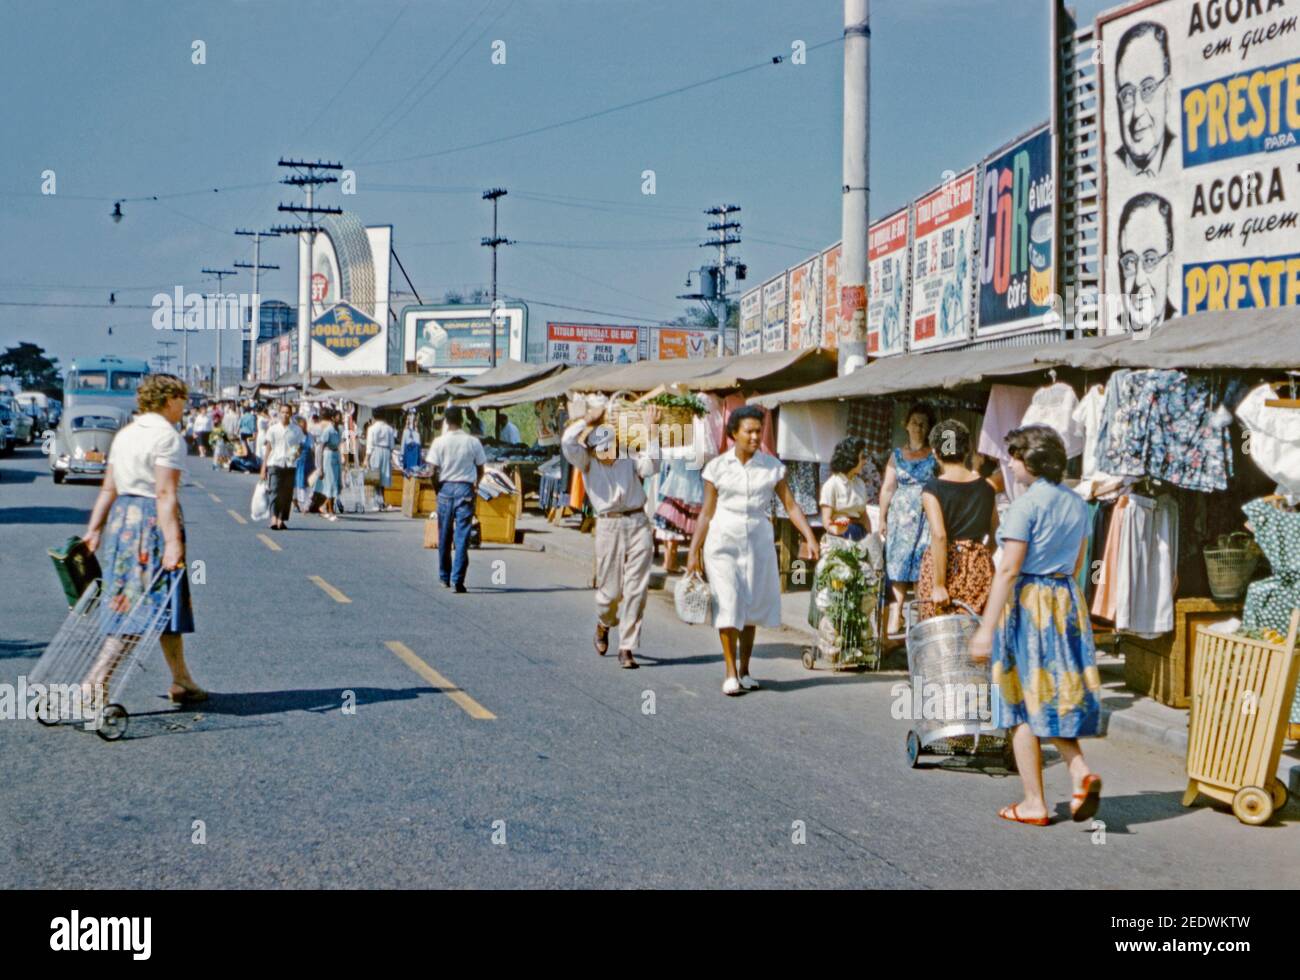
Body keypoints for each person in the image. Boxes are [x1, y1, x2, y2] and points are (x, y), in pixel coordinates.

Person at [969, 425, 1103, 827]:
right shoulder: (1077, 504)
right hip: (1066, 601)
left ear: (1032, 462)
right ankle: (1078, 771)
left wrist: (986, 628)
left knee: (1019, 699)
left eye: (1015, 456)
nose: (1009, 463)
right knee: (1054, 693)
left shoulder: (1025, 505)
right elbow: (1078, 564)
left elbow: (1008, 568)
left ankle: (1034, 802)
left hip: (1029, 602)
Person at [82, 373, 205, 707]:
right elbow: (164, 492)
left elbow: (108, 487)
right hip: (150, 524)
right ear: (168, 400)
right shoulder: (168, 438)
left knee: (162, 603)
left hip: (122, 521)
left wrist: (94, 528)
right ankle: (96, 682)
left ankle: (182, 679)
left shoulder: (125, 434)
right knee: (139, 608)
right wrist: (172, 541)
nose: (186, 405)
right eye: (183, 398)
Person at [687, 405, 820, 696]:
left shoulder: (772, 467)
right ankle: (730, 672)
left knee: (750, 605)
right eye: (749, 431)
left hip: (758, 540)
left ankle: (745, 670)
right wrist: (693, 551)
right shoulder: (717, 468)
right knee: (729, 602)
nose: (755, 436)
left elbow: (790, 506)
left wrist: (809, 536)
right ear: (734, 433)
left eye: (759, 431)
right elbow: (706, 513)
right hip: (723, 539)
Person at [562, 403, 660, 669]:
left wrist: (652, 433)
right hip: (608, 525)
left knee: (636, 589)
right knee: (610, 592)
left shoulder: (628, 455)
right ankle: (604, 623)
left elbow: (651, 468)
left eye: (610, 446)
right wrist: (587, 419)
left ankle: (627, 647)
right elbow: (568, 442)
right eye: (600, 448)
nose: (607, 453)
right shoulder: (586, 462)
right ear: (592, 450)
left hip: (638, 521)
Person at [916, 419, 997, 620]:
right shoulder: (987, 488)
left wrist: (939, 585)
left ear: (935, 452)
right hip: (978, 564)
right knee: (973, 629)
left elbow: (940, 535)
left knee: (939, 633)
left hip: (943, 567)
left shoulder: (932, 489)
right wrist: (978, 555)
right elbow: (996, 533)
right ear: (968, 449)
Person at [879, 403, 937, 638]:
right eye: (915, 422)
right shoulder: (896, 455)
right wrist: (882, 518)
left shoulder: (935, 454)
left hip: (926, 513)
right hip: (901, 518)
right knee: (899, 563)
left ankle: (922, 617)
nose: (919, 427)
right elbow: (887, 488)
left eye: (923, 423)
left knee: (922, 563)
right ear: (906, 425)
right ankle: (897, 612)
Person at [428, 405, 486, 592]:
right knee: (462, 537)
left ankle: (444, 576)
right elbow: (480, 467)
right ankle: (457, 581)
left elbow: (431, 471)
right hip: (465, 489)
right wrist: (475, 484)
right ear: (462, 421)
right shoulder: (473, 442)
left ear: (446, 421)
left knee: (444, 536)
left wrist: (438, 488)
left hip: (445, 489)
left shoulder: (439, 442)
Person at [1114, 21, 1174, 178]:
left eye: (1148, 88)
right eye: (1127, 94)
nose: (1137, 112)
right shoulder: (1111, 167)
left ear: (1167, 91)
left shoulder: (1180, 155)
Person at [1118, 191, 1176, 332]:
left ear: (1169, 265)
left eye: (1150, 260)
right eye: (1130, 262)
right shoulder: (1110, 331)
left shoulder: (1181, 330)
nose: (1139, 280)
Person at [819, 437, 872, 542]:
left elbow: (864, 516)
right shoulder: (832, 485)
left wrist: (870, 538)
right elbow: (826, 520)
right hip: (840, 536)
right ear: (852, 459)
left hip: (860, 534)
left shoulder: (860, 483)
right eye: (862, 458)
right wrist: (838, 532)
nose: (865, 461)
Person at [260, 402, 304, 531]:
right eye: (283, 412)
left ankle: (281, 519)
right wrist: (264, 467)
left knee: (286, 494)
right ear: (279, 414)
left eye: (287, 412)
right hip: (275, 463)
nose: (285, 415)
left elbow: (300, 447)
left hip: (290, 465)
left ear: (291, 414)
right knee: (274, 491)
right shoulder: (273, 429)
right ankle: (273, 518)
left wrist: (297, 453)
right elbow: (268, 448)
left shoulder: (296, 430)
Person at [314, 408, 342, 522]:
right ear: (332, 418)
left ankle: (324, 506)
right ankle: (330, 511)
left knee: (336, 483)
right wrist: (320, 466)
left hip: (336, 455)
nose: (340, 418)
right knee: (330, 484)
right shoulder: (328, 430)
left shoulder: (339, 430)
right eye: (338, 416)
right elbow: (321, 447)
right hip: (328, 455)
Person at [365, 413, 397, 509]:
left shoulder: (372, 428)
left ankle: (377, 502)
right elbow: (392, 445)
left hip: (375, 451)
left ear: (374, 417)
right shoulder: (390, 429)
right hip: (386, 452)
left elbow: (369, 445)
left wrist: (366, 458)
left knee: (375, 477)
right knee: (383, 477)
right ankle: (381, 500)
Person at [294, 414, 313, 513]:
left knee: (309, 482)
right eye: (302, 424)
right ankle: (301, 503)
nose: (304, 426)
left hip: (309, 461)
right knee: (300, 482)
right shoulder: (297, 435)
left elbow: (312, 447)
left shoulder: (309, 435)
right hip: (300, 461)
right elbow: (294, 449)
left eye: (305, 424)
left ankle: (307, 503)